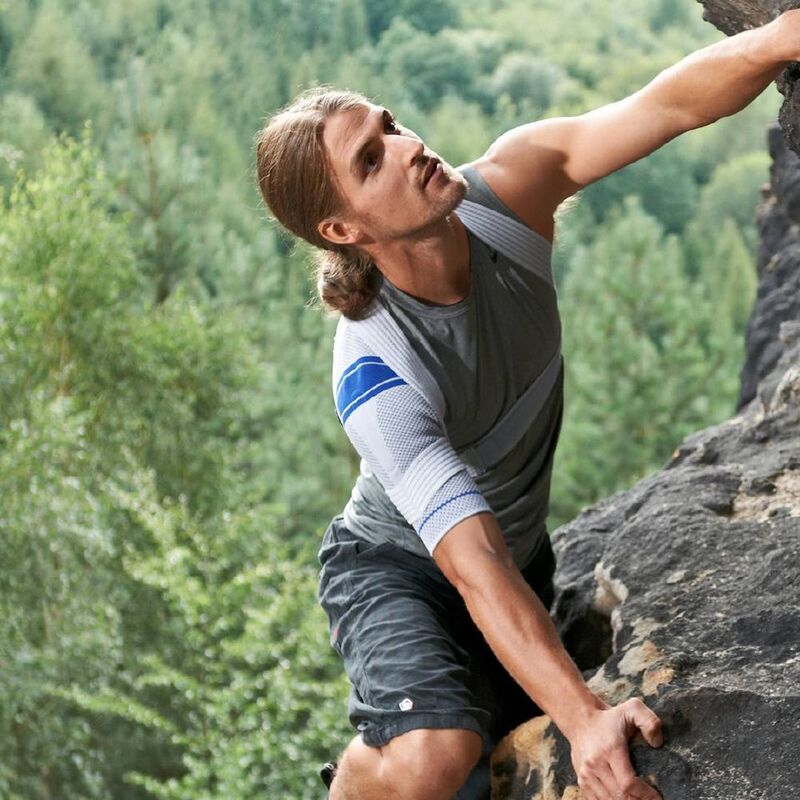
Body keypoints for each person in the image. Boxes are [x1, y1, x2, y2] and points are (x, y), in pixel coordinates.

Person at [255, 12, 797, 799]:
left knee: (490, 768)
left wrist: (780, 38)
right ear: (343, 228)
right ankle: (356, 778)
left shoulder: (504, 191)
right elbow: (473, 570)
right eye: (373, 159)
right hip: (397, 572)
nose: (411, 148)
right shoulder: (377, 375)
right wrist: (586, 719)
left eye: (393, 126)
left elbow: (665, 105)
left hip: (514, 557)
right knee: (436, 756)